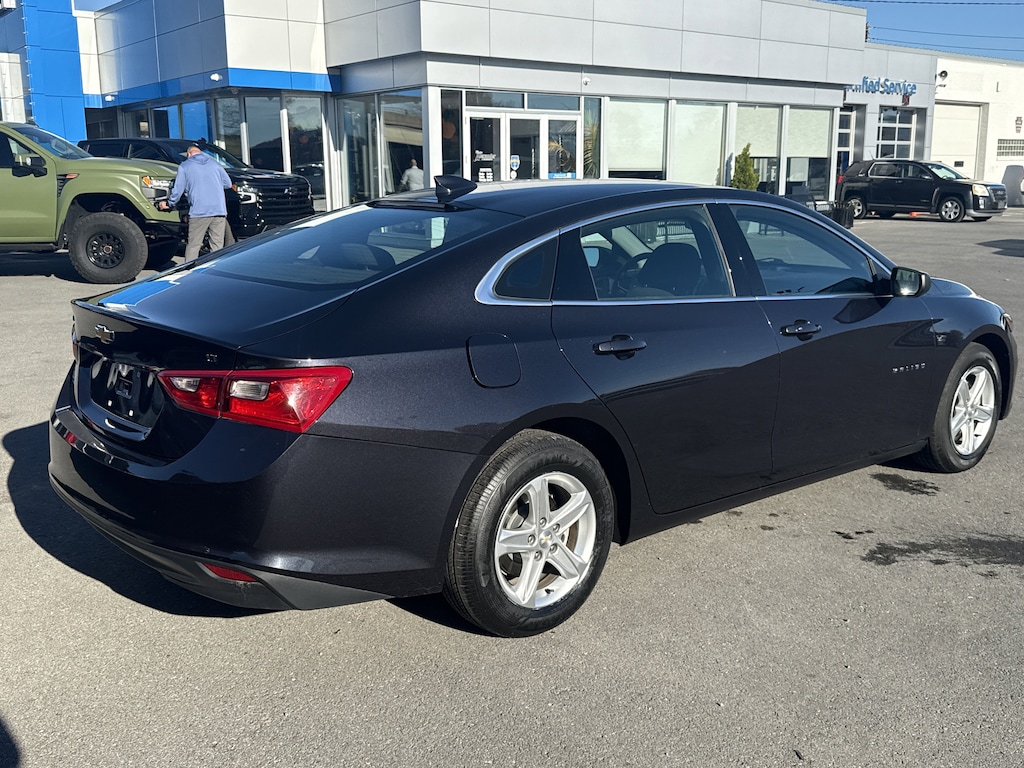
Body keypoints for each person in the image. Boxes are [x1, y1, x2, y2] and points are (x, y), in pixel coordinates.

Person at [158, 145, 232, 260]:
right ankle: (215, 271)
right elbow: (228, 184)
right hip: (219, 210)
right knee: (217, 245)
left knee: (194, 245)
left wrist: (169, 203)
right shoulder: (215, 164)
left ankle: (189, 272)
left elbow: (178, 190)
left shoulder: (185, 166)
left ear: (189, 154)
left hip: (199, 211)